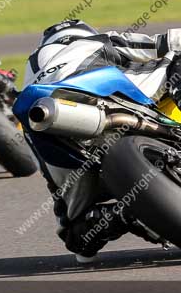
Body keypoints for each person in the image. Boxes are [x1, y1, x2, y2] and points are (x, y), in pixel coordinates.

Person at [24, 19, 181, 262]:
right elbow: (163, 43)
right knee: (176, 58)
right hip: (104, 99)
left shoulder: (35, 77)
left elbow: (77, 244)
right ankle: (134, 209)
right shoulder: (89, 42)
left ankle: (126, 212)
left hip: (54, 129)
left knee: (77, 238)